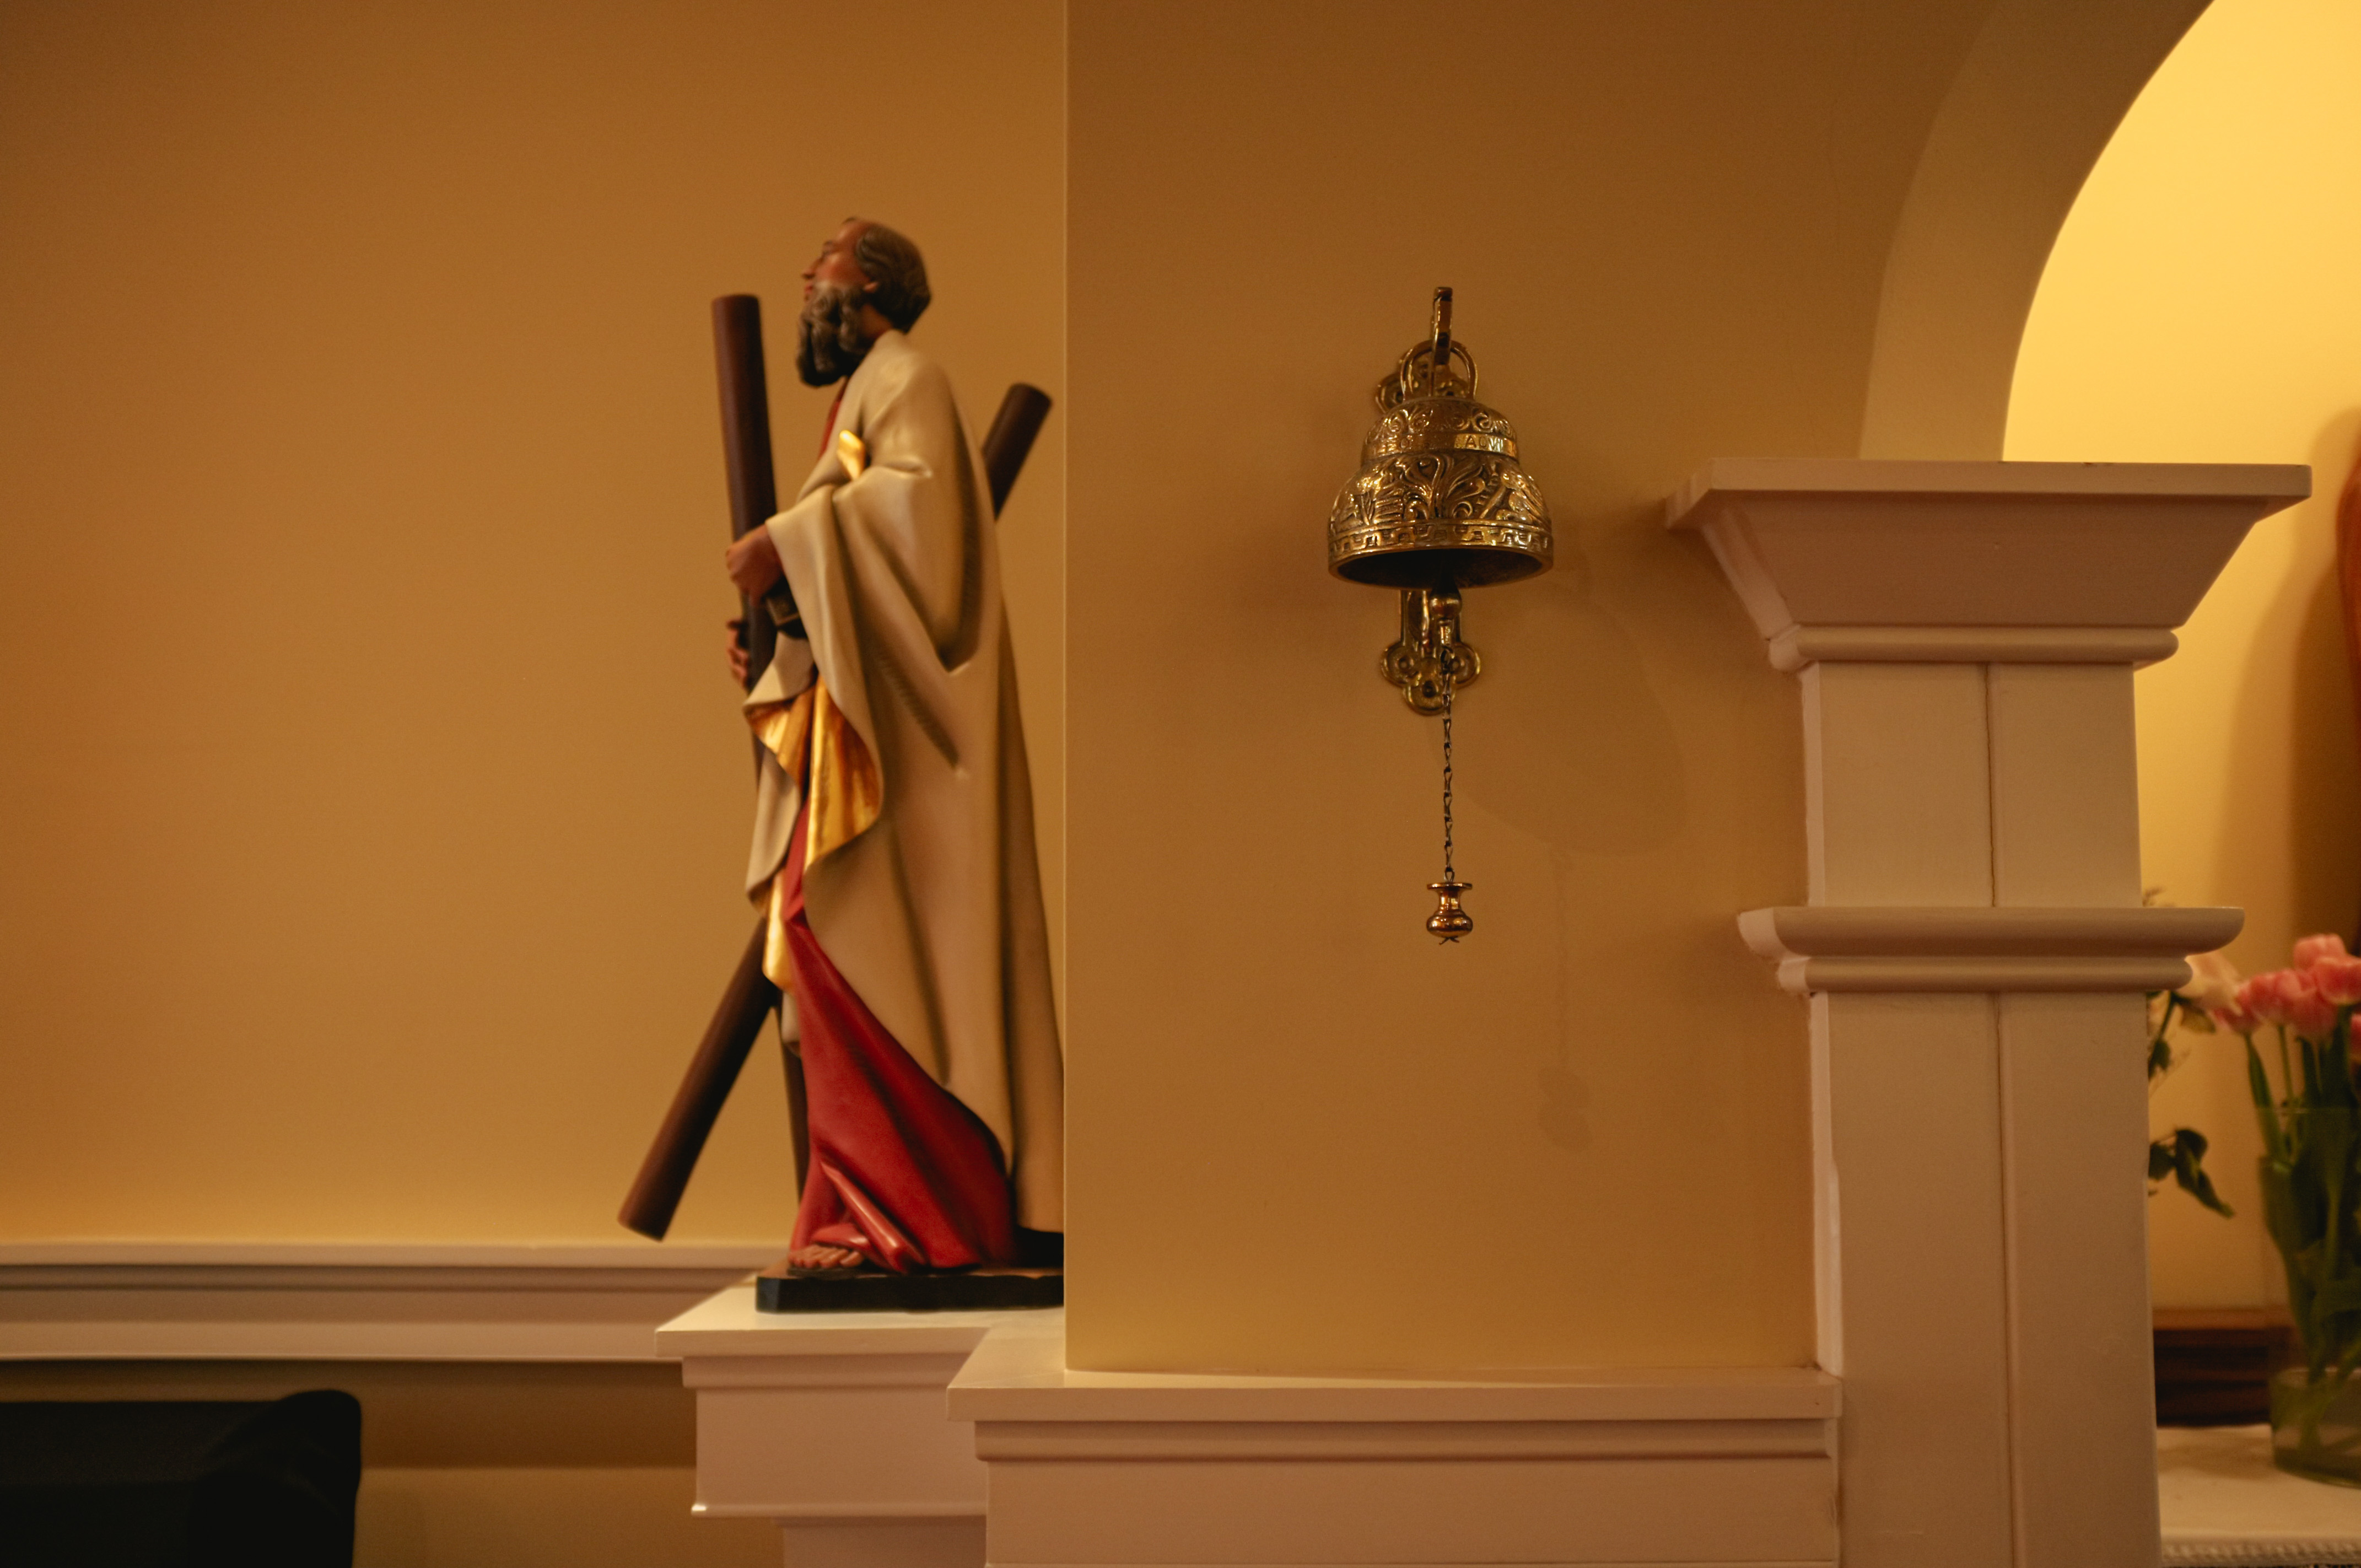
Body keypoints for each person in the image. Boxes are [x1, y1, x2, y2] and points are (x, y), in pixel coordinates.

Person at [721, 218, 1061, 1275]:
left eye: (819, 263)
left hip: (912, 758)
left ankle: (907, 1219)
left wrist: (789, 542)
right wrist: (781, 621)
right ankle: (858, 1206)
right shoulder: (860, 395)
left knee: (852, 939)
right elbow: (859, 577)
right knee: (823, 938)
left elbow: (923, 534)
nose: (804, 279)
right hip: (862, 739)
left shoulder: (909, 377)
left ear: (864, 285)